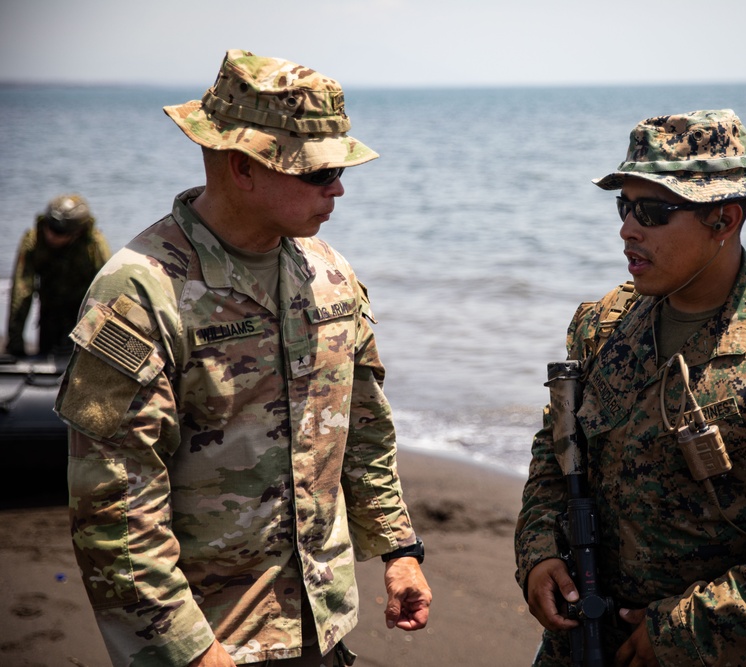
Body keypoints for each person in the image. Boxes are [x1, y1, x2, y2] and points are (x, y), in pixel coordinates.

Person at [55, 49, 431, 667]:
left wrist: (399, 551)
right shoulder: (139, 296)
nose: (337, 188)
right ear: (242, 168)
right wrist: (192, 651)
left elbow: (361, 428)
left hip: (321, 629)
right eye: (318, 173)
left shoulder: (330, 276)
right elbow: (113, 512)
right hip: (208, 637)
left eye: (341, 170)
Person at [515, 110, 746, 666]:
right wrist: (539, 552)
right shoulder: (605, 325)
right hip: (586, 641)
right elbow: (555, 453)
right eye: (624, 207)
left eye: (654, 211)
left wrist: (683, 634)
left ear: (724, 219)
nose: (627, 229)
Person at [4, 193, 110, 357]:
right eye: (50, 227)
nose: (51, 235)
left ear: (77, 233)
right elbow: (21, 290)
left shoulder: (94, 246)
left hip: (82, 314)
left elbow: (108, 289)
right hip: (49, 312)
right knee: (44, 359)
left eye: (60, 232)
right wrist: (15, 343)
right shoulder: (33, 241)